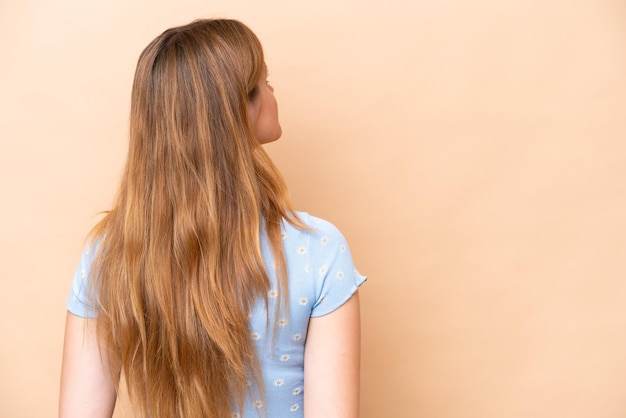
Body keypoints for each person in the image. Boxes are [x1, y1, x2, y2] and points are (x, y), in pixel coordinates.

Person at [59, 18, 366, 418]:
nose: (273, 91)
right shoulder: (319, 250)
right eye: (265, 80)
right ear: (238, 108)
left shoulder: (108, 254)